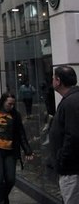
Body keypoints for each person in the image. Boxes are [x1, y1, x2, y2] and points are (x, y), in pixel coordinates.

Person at [0, 91, 34, 204]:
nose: (11, 106)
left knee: (10, 179)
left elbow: (21, 134)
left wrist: (27, 150)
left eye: (13, 104)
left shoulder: (15, 115)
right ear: (3, 102)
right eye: (9, 104)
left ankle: (2, 197)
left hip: (10, 151)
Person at [49, 65, 79, 204]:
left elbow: (72, 135)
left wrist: (62, 159)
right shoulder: (72, 99)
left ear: (58, 81)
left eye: (53, 78)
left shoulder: (70, 102)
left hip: (71, 169)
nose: (52, 81)